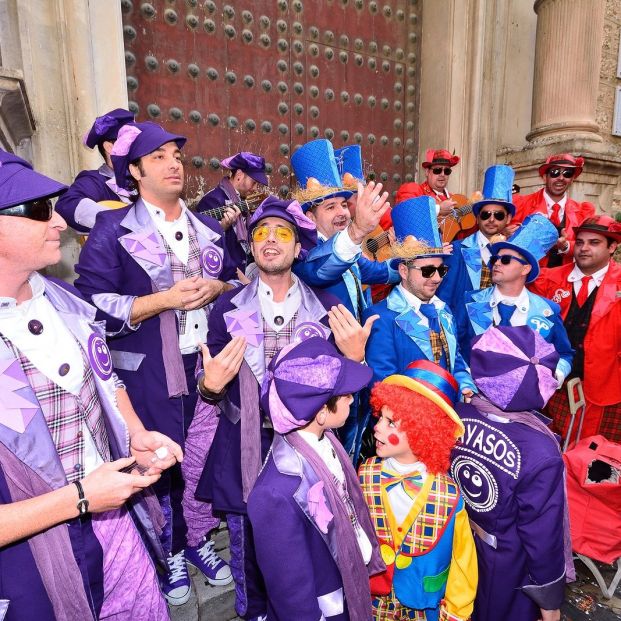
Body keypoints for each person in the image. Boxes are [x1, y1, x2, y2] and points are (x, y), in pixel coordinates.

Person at [0, 149, 183, 620]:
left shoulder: (65, 301)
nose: (60, 221)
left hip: (118, 525)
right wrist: (80, 498)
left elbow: (106, 376)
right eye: (38, 210)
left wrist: (137, 433)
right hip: (32, 565)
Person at [195, 196, 381, 620]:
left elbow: (346, 386)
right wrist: (209, 386)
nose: (271, 240)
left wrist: (355, 359)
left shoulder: (328, 303)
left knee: (310, 543)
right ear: (252, 246)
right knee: (246, 544)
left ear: (300, 248)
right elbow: (208, 380)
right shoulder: (226, 307)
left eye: (283, 233)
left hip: (308, 445)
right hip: (246, 443)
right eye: (261, 233)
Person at [74, 121, 237, 605]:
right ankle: (168, 550)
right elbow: (88, 305)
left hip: (206, 366)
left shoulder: (208, 228)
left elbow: (235, 281)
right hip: (145, 372)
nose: (173, 164)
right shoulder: (112, 228)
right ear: (136, 170)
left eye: (178, 156)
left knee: (203, 457)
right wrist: (160, 299)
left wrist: (220, 287)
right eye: (159, 156)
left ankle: (197, 540)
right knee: (159, 463)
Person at [247, 337, 385, 621]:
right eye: (345, 395)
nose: (352, 398)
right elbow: (291, 594)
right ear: (321, 412)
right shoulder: (275, 494)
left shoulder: (326, 439)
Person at [450, 326, 572, 621]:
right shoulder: (541, 452)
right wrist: (549, 601)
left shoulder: (455, 416)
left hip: (454, 545)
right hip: (506, 568)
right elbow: (542, 535)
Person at [291, 139, 400, 460]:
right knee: (331, 450)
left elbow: (378, 272)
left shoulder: (346, 249)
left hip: (357, 364)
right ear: (309, 216)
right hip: (326, 377)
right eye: (330, 206)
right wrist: (356, 232)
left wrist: (415, 261)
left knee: (355, 438)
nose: (342, 212)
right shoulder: (302, 254)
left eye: (343, 203)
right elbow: (322, 270)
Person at [360, 360, 478, 620]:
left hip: (424, 605)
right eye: (381, 417)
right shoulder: (364, 475)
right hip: (371, 600)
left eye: (391, 422)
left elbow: (463, 559)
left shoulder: (450, 495)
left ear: (421, 432)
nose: (377, 426)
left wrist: (457, 610)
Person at [364, 196, 477, 399]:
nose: (436, 278)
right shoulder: (380, 318)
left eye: (441, 270)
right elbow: (382, 386)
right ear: (403, 271)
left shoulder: (444, 310)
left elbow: (456, 360)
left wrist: (465, 386)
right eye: (427, 271)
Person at [530, 215, 621, 443]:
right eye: (579, 242)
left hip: (604, 391)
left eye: (594, 242)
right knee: (548, 454)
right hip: (551, 388)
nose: (584, 248)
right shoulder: (548, 279)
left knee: (592, 463)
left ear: (612, 247)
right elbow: (515, 265)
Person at [459, 213, 574, 385]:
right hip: (474, 398)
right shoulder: (470, 301)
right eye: (495, 258)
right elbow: (454, 348)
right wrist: (463, 379)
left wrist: (555, 374)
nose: (496, 263)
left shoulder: (547, 311)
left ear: (525, 269)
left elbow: (565, 354)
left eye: (505, 260)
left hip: (524, 402)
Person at [438, 165, 516, 311]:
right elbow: (444, 298)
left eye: (498, 215)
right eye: (486, 214)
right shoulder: (456, 250)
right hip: (464, 330)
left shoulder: (516, 254)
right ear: (477, 217)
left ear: (509, 218)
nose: (491, 219)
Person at [56, 108, 135, 233]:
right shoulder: (95, 181)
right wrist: (124, 224)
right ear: (110, 147)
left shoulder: (145, 179)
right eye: (131, 143)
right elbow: (66, 204)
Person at [513, 153, 595, 267]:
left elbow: (590, 245)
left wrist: (566, 246)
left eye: (567, 174)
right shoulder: (520, 204)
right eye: (555, 172)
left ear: (572, 179)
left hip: (564, 280)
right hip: (528, 278)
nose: (561, 178)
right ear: (545, 177)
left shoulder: (583, 211)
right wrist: (506, 233)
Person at [196, 152, 269, 271]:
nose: (256, 188)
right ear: (239, 175)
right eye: (254, 182)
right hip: (225, 276)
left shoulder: (243, 201)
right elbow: (202, 243)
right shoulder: (211, 200)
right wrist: (222, 227)